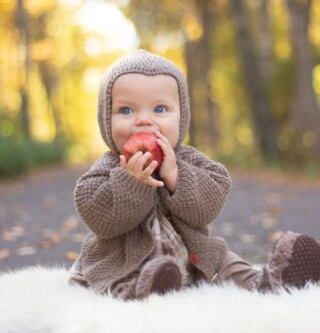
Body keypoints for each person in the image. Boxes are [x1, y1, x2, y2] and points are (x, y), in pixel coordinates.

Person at [69, 50, 320, 300]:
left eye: (159, 108)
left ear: (181, 116)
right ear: (105, 119)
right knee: (120, 278)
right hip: (124, 260)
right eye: (126, 111)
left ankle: (268, 282)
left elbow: (213, 196)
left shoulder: (185, 160)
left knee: (223, 261)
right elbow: (98, 216)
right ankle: (146, 289)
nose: (143, 120)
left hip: (192, 253)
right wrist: (130, 183)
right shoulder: (110, 167)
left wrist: (176, 175)